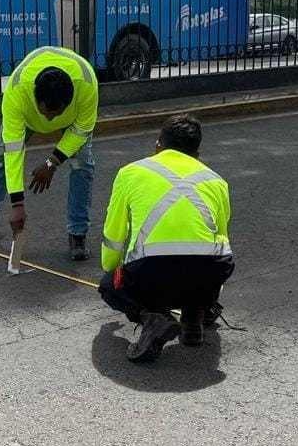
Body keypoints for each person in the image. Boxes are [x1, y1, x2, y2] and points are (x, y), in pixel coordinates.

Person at [97, 115, 234, 363]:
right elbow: (222, 239)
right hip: (209, 274)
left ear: (158, 145)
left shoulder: (130, 173)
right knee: (204, 263)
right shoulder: (217, 181)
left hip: (152, 275)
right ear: (197, 153)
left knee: (109, 284)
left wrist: (112, 273)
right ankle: (194, 316)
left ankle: (153, 319)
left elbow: (114, 236)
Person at [0, 45, 98, 261]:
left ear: (70, 101)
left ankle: (77, 234)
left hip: (71, 124)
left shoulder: (87, 85)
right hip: (27, 118)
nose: (49, 120)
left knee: (83, 166)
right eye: (45, 112)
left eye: (56, 113)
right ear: (34, 97)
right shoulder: (17, 91)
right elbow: (13, 151)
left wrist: (52, 162)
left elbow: (81, 131)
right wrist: (17, 204)